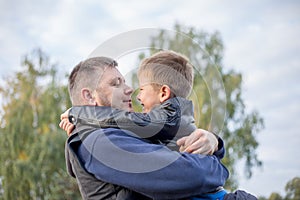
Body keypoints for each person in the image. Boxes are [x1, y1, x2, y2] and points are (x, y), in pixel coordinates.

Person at [61, 55, 229, 199]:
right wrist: (215, 164)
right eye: (116, 83)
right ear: (89, 96)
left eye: (124, 82)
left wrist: (214, 143)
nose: (130, 89)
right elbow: (195, 175)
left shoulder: (126, 134)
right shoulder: (99, 140)